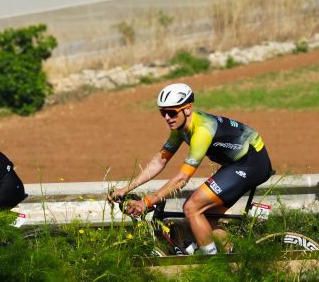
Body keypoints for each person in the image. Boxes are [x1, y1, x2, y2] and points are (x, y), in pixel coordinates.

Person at [111, 82, 272, 255]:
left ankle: (210, 262)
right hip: (236, 163)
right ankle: (231, 259)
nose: (167, 117)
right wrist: (126, 188)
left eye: (172, 112)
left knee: (192, 207)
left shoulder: (202, 131)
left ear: (187, 109)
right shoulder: (180, 128)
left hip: (251, 162)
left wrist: (147, 202)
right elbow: (160, 161)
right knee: (206, 216)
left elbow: (182, 179)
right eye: (163, 112)